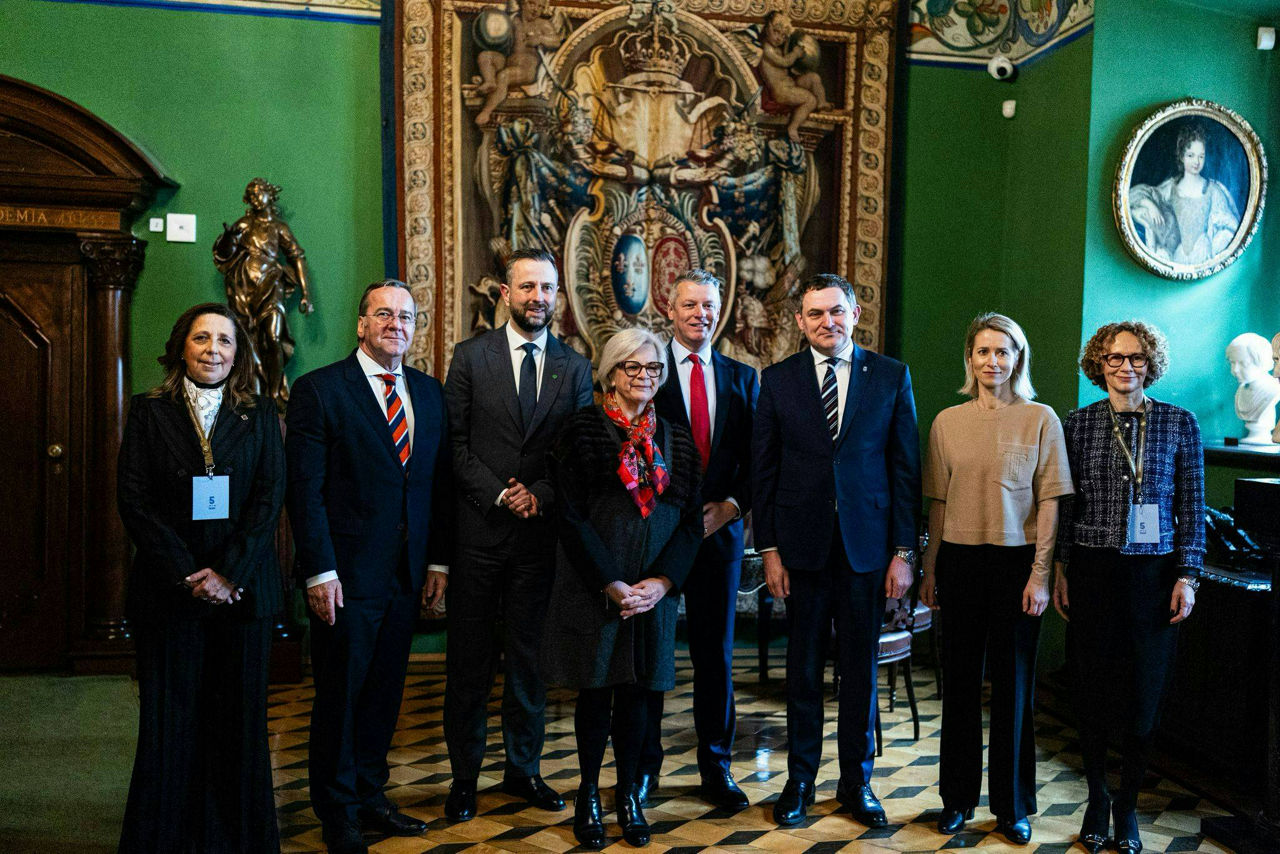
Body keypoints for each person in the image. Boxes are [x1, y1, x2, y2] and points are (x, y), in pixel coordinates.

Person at [286, 280, 452, 854]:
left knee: (385, 694)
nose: (395, 324)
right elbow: (304, 493)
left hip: (407, 575)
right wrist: (318, 570)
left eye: (406, 316)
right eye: (383, 314)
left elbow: (436, 487)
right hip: (345, 578)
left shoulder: (430, 394)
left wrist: (437, 562)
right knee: (341, 696)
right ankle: (336, 810)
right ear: (361, 324)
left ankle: (371, 795)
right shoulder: (320, 391)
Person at [752, 273, 920, 828]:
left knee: (858, 672)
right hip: (799, 553)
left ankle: (857, 783)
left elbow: (904, 470)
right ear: (800, 321)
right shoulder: (776, 381)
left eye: (837, 311)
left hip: (867, 551)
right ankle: (799, 781)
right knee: (801, 673)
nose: (828, 322)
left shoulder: (891, 376)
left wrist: (904, 551)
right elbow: (765, 472)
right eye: (816, 314)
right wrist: (770, 550)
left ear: (855, 313)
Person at [117, 303, 285, 853]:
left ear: (238, 354)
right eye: (201, 338)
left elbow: (269, 498)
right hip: (171, 594)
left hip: (243, 594)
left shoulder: (259, 415)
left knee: (238, 726)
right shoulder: (148, 411)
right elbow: (134, 499)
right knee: (171, 725)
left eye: (225, 341)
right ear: (181, 346)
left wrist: (230, 572)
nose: (213, 349)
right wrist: (189, 573)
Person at [441, 248, 594, 821]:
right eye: (527, 286)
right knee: (470, 665)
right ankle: (463, 777)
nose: (538, 297)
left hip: (539, 541)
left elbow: (576, 454)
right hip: (479, 535)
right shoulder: (470, 358)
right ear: (504, 293)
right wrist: (502, 493)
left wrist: (540, 494)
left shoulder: (575, 368)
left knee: (529, 663)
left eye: (547, 288)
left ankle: (523, 771)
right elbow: (452, 445)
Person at [541, 328, 703, 849]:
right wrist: (611, 582)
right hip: (597, 590)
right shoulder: (581, 431)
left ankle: (628, 793)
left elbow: (691, 523)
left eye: (653, 369)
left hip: (653, 596)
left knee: (640, 698)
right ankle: (589, 791)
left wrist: (660, 583)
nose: (644, 378)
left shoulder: (675, 438)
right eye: (632, 368)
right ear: (611, 373)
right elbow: (570, 516)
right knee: (596, 695)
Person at [919, 313, 1073, 845]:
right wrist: (930, 571)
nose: (993, 362)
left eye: (1003, 352)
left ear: (1018, 358)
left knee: (1013, 690)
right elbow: (936, 506)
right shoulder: (946, 422)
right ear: (970, 359)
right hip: (959, 563)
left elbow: (1050, 505)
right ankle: (956, 800)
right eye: (984, 352)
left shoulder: (1040, 419)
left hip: (1017, 567)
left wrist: (1041, 576)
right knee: (959, 688)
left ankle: (1012, 807)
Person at [1053, 321, 1205, 854]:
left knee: (1144, 696)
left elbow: (1191, 504)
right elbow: (1065, 507)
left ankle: (1128, 805)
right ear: (1099, 364)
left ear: (1150, 364)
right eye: (1114, 358)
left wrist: (1188, 575)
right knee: (1093, 688)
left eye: (1136, 358)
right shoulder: (1077, 424)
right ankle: (1097, 798)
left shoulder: (1179, 424)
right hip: (1093, 573)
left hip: (1155, 576)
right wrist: (1061, 570)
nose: (1125, 367)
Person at [637, 270, 758, 811]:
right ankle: (643, 770)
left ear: (720, 309)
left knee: (716, 657)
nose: (700, 315)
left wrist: (733, 505)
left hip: (719, 538)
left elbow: (761, 461)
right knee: (652, 653)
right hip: (657, 537)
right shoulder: (647, 371)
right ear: (669, 308)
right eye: (689, 305)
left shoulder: (742, 378)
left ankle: (717, 768)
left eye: (709, 306)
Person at [212, 177, 313, 408]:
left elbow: (297, 256)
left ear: (270, 195)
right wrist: (228, 238)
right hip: (242, 288)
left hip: (270, 287)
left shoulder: (279, 228)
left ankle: (276, 392)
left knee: (273, 337)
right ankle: (253, 391)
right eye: (252, 194)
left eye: (260, 192)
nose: (256, 197)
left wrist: (306, 293)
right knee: (246, 341)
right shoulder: (244, 224)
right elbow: (224, 254)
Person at [1128, 123, 1240, 266]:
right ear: (1181, 156)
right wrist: (1150, 205)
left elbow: (1230, 226)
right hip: (1178, 257)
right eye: (1191, 155)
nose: (1197, 162)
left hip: (1204, 254)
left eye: (1201, 156)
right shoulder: (1171, 188)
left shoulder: (1213, 190)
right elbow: (1134, 194)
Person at [1226, 332, 1280, 445]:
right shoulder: (1241, 390)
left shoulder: (1274, 389)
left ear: (1261, 361)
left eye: (1243, 363)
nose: (1235, 370)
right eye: (1232, 363)